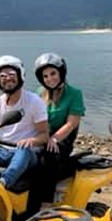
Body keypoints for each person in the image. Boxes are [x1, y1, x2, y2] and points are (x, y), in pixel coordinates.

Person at [0, 55, 48, 189]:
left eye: (11, 74)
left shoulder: (34, 101)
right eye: (2, 76)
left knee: (23, 151)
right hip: (1, 150)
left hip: (27, 152)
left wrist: (31, 141)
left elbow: (44, 135)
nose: (7, 78)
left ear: (20, 75)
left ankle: (3, 183)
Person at [34, 52, 85, 203]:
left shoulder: (74, 93)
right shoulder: (39, 93)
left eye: (53, 73)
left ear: (61, 72)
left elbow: (72, 123)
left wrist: (54, 139)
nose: (50, 79)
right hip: (44, 134)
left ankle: (46, 202)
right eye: (45, 76)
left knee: (47, 158)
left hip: (63, 139)